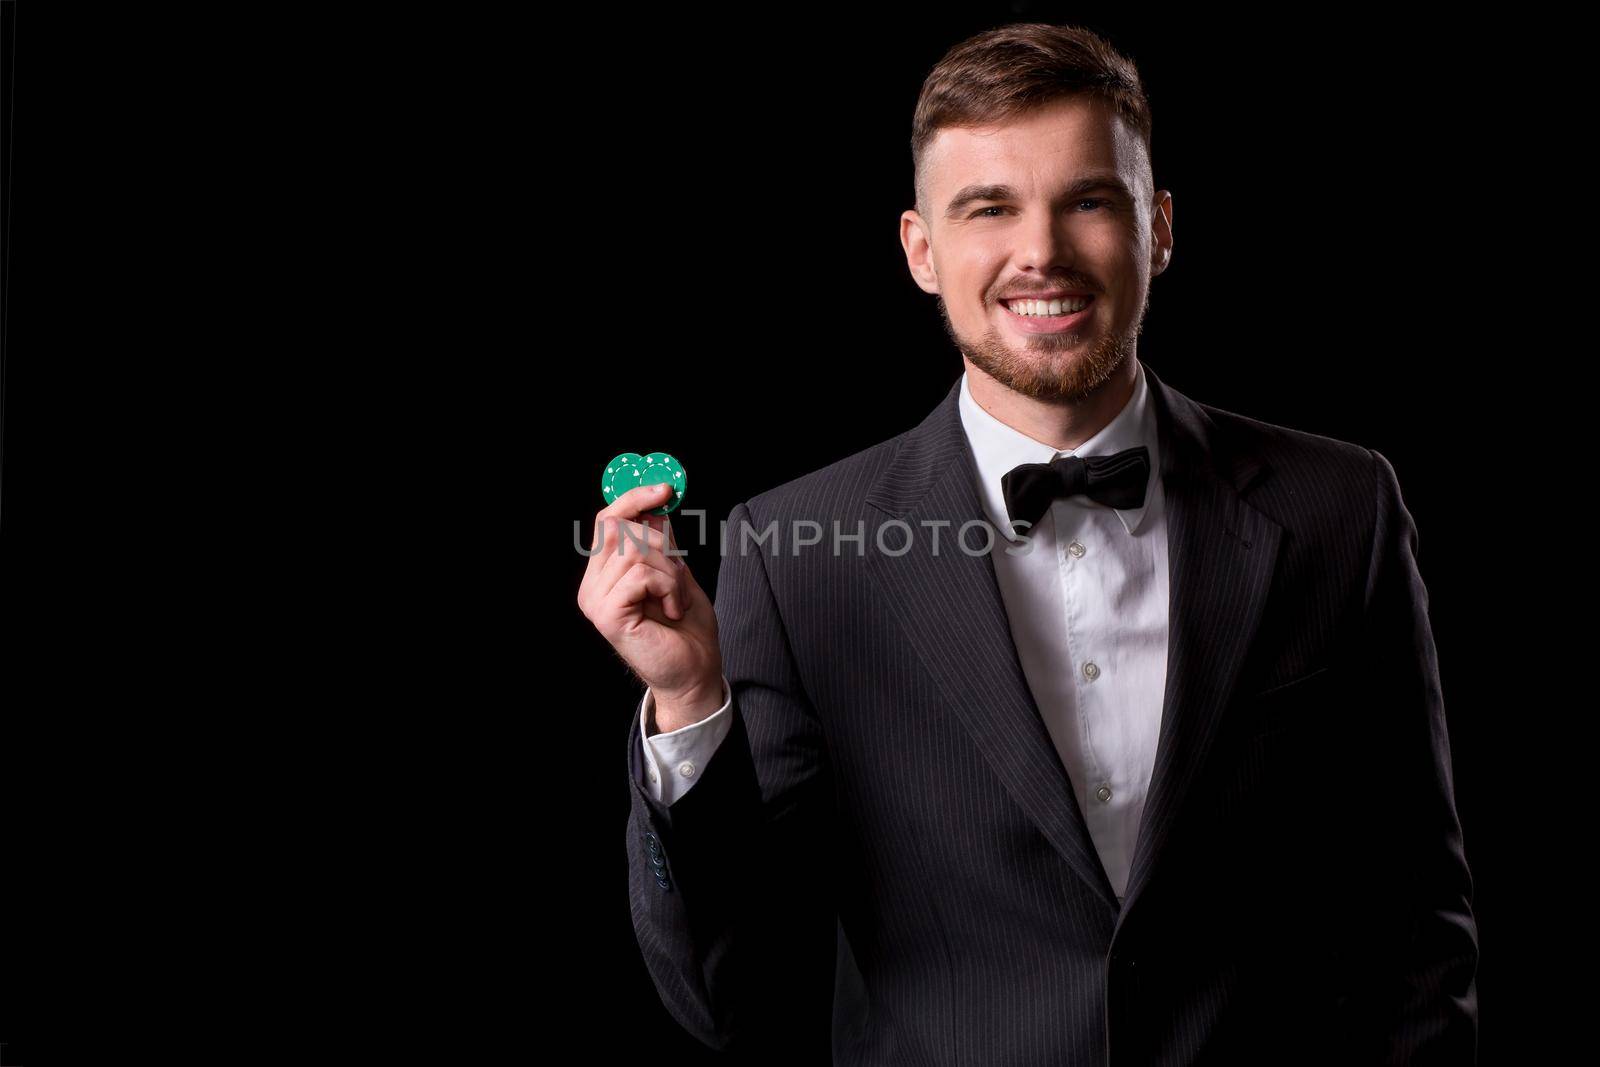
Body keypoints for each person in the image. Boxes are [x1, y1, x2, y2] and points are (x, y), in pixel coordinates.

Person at [579, 22, 1478, 1065]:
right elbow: (734, 990)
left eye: (1088, 200)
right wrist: (692, 704)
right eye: (989, 208)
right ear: (921, 250)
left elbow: (1416, 922)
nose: (1040, 251)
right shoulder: (792, 556)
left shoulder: (1342, 507)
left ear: (1161, 229)